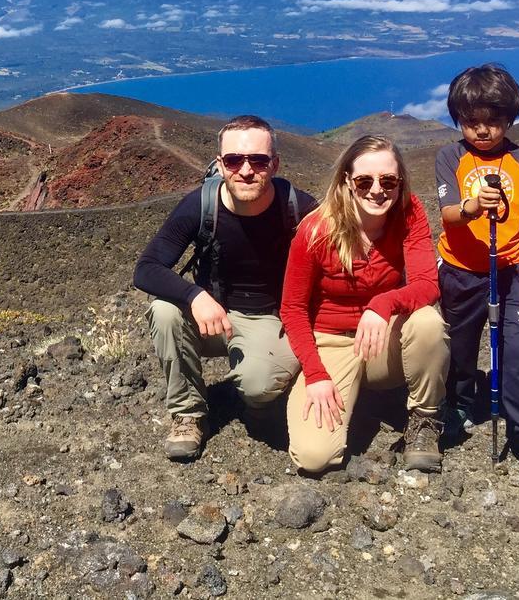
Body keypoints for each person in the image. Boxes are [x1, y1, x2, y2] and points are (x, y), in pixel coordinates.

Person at [134, 114, 317, 461]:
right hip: (210, 314)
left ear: (274, 164)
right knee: (164, 310)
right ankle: (187, 413)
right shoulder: (201, 205)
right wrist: (194, 295)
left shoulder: (299, 208)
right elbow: (146, 268)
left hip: (270, 317)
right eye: (234, 160)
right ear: (220, 164)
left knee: (259, 386)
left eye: (258, 160)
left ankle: (261, 402)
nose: (246, 170)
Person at [281, 135, 449, 473]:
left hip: (383, 336)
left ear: (400, 182)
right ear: (346, 181)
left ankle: (424, 420)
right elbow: (293, 308)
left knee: (427, 322)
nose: (377, 190)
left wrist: (383, 304)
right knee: (315, 457)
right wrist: (315, 374)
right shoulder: (315, 230)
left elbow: (427, 285)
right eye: (364, 181)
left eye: (389, 180)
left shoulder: (409, 212)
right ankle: (351, 394)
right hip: (331, 340)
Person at [436, 63, 519, 496]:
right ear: (459, 119)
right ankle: (460, 404)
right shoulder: (450, 157)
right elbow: (448, 213)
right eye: (472, 122)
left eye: (494, 121)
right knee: (459, 346)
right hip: (460, 271)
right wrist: (471, 206)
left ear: (510, 119)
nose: (483, 131)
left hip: (511, 273)